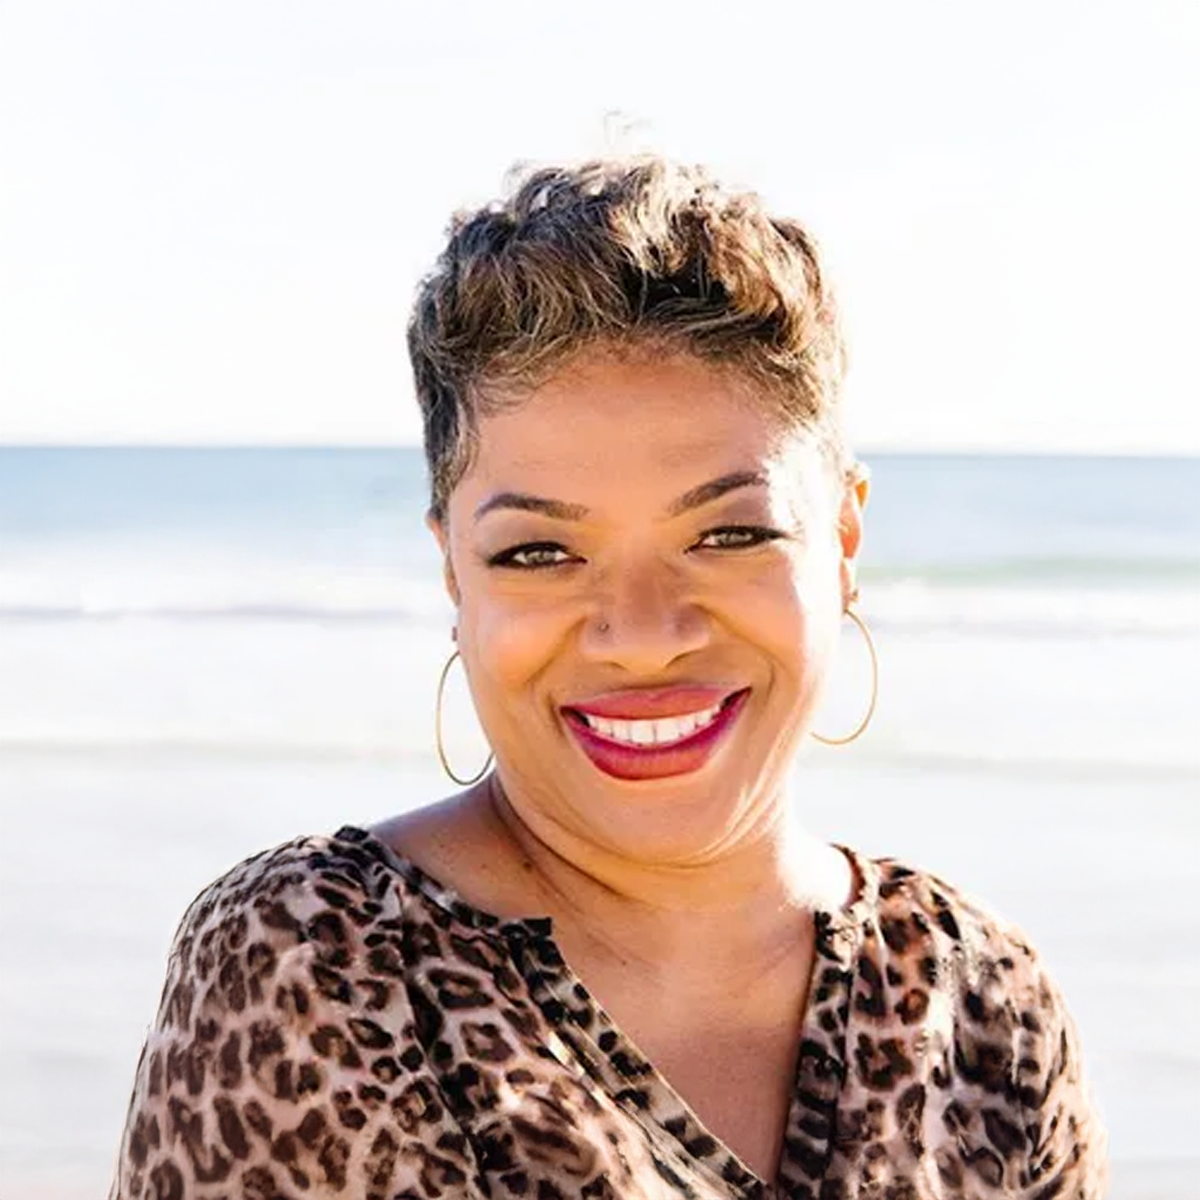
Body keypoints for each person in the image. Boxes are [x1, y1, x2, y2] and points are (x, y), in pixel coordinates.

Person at [109, 157, 1106, 1200]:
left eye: (728, 534)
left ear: (844, 540)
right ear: (454, 570)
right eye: (539, 552)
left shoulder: (982, 1000)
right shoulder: (321, 963)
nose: (640, 636)